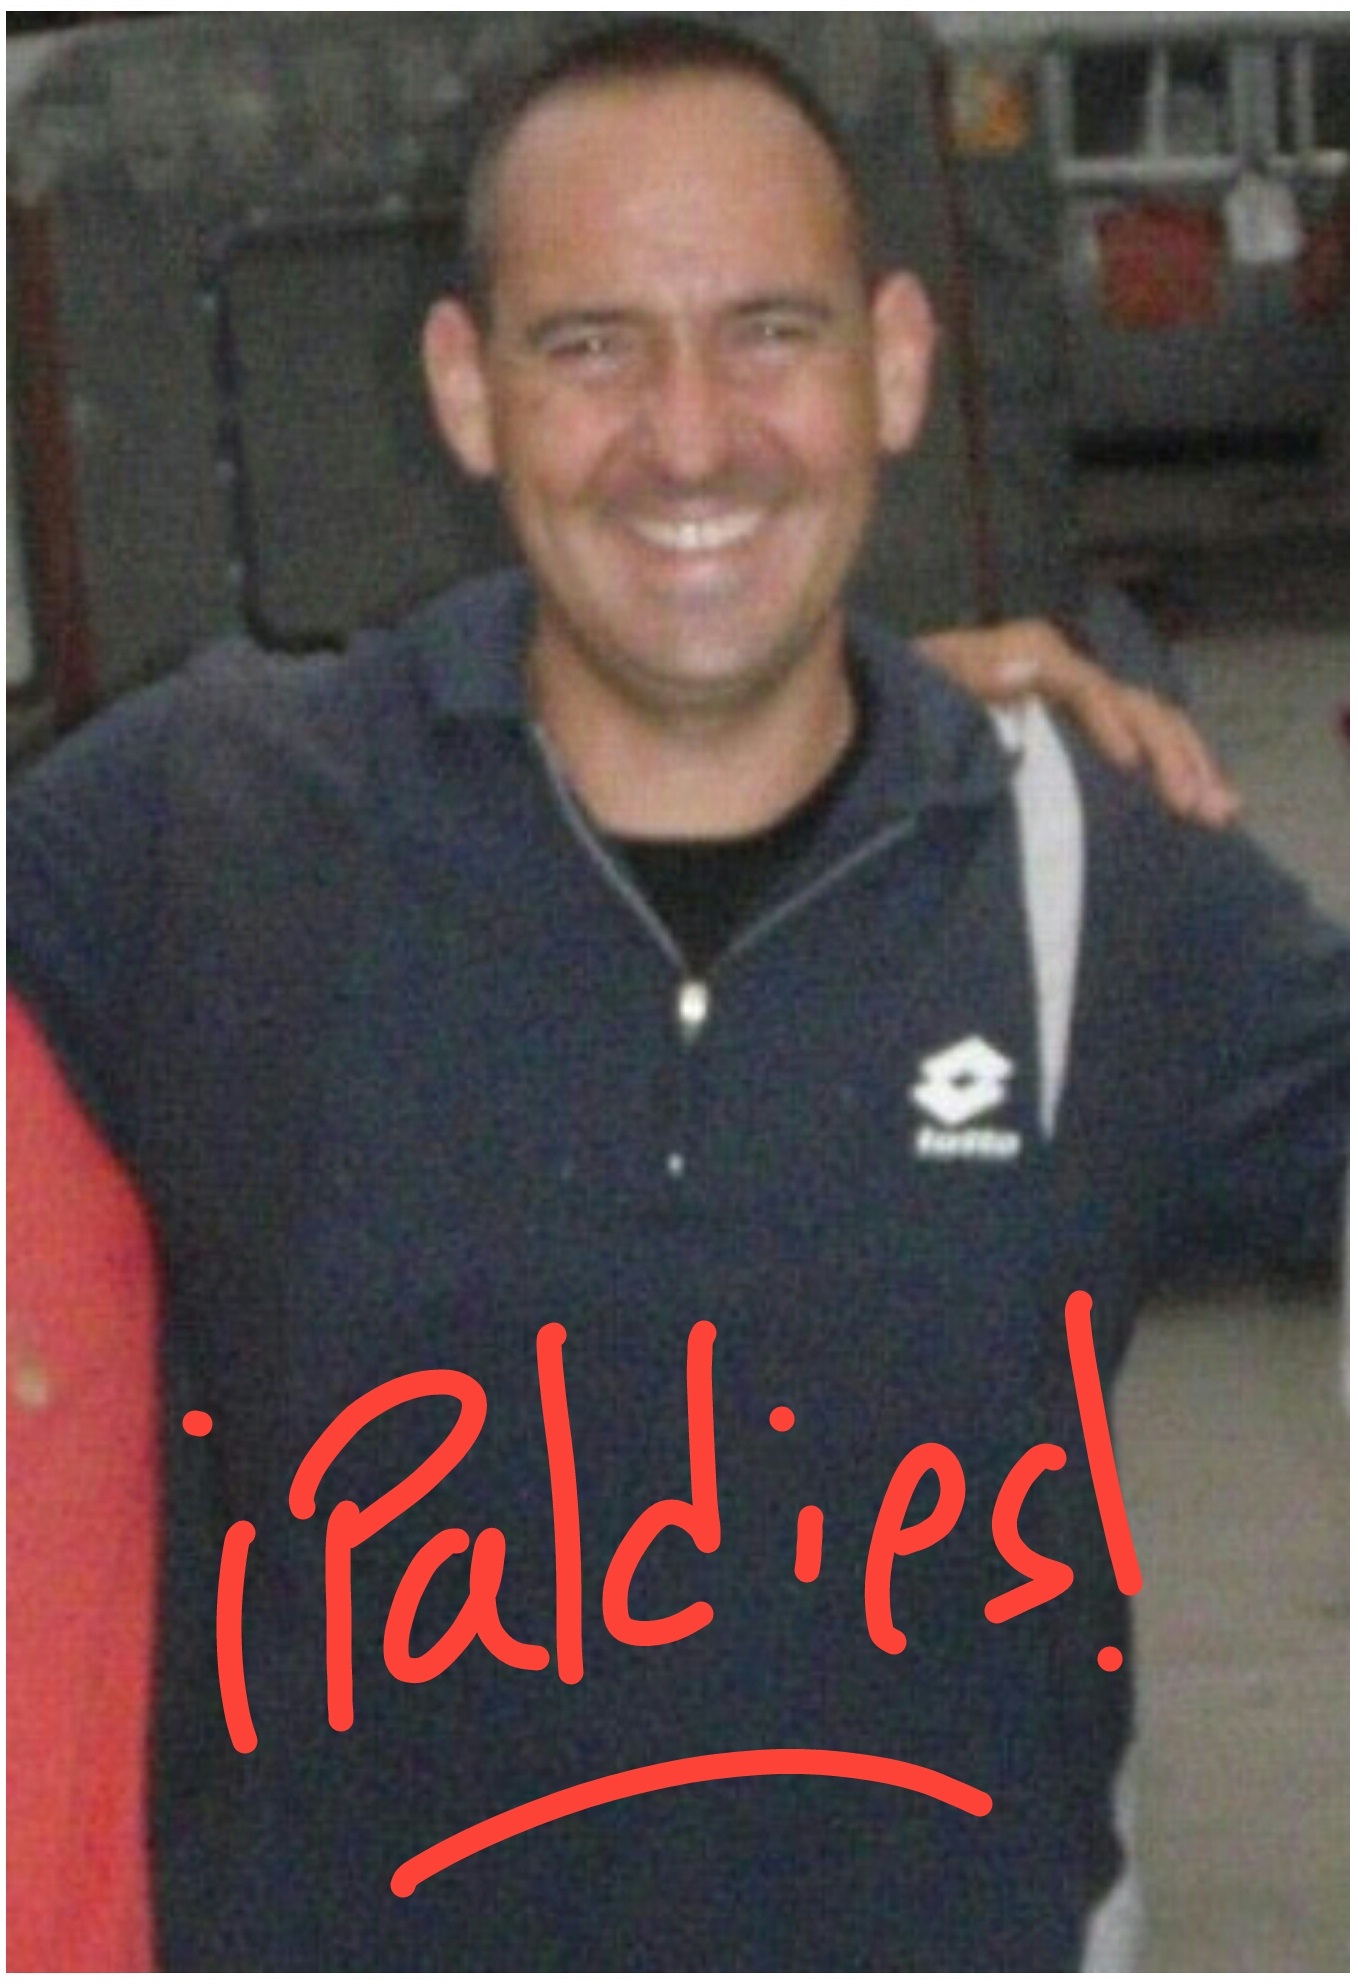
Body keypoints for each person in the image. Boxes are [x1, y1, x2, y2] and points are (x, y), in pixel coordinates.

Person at [6, 19, 1342, 1973]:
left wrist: (915, 734)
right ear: (464, 389)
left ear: (896, 363)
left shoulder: (1095, 879)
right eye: (591, 346)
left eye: (768, 333)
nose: (691, 433)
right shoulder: (204, 830)